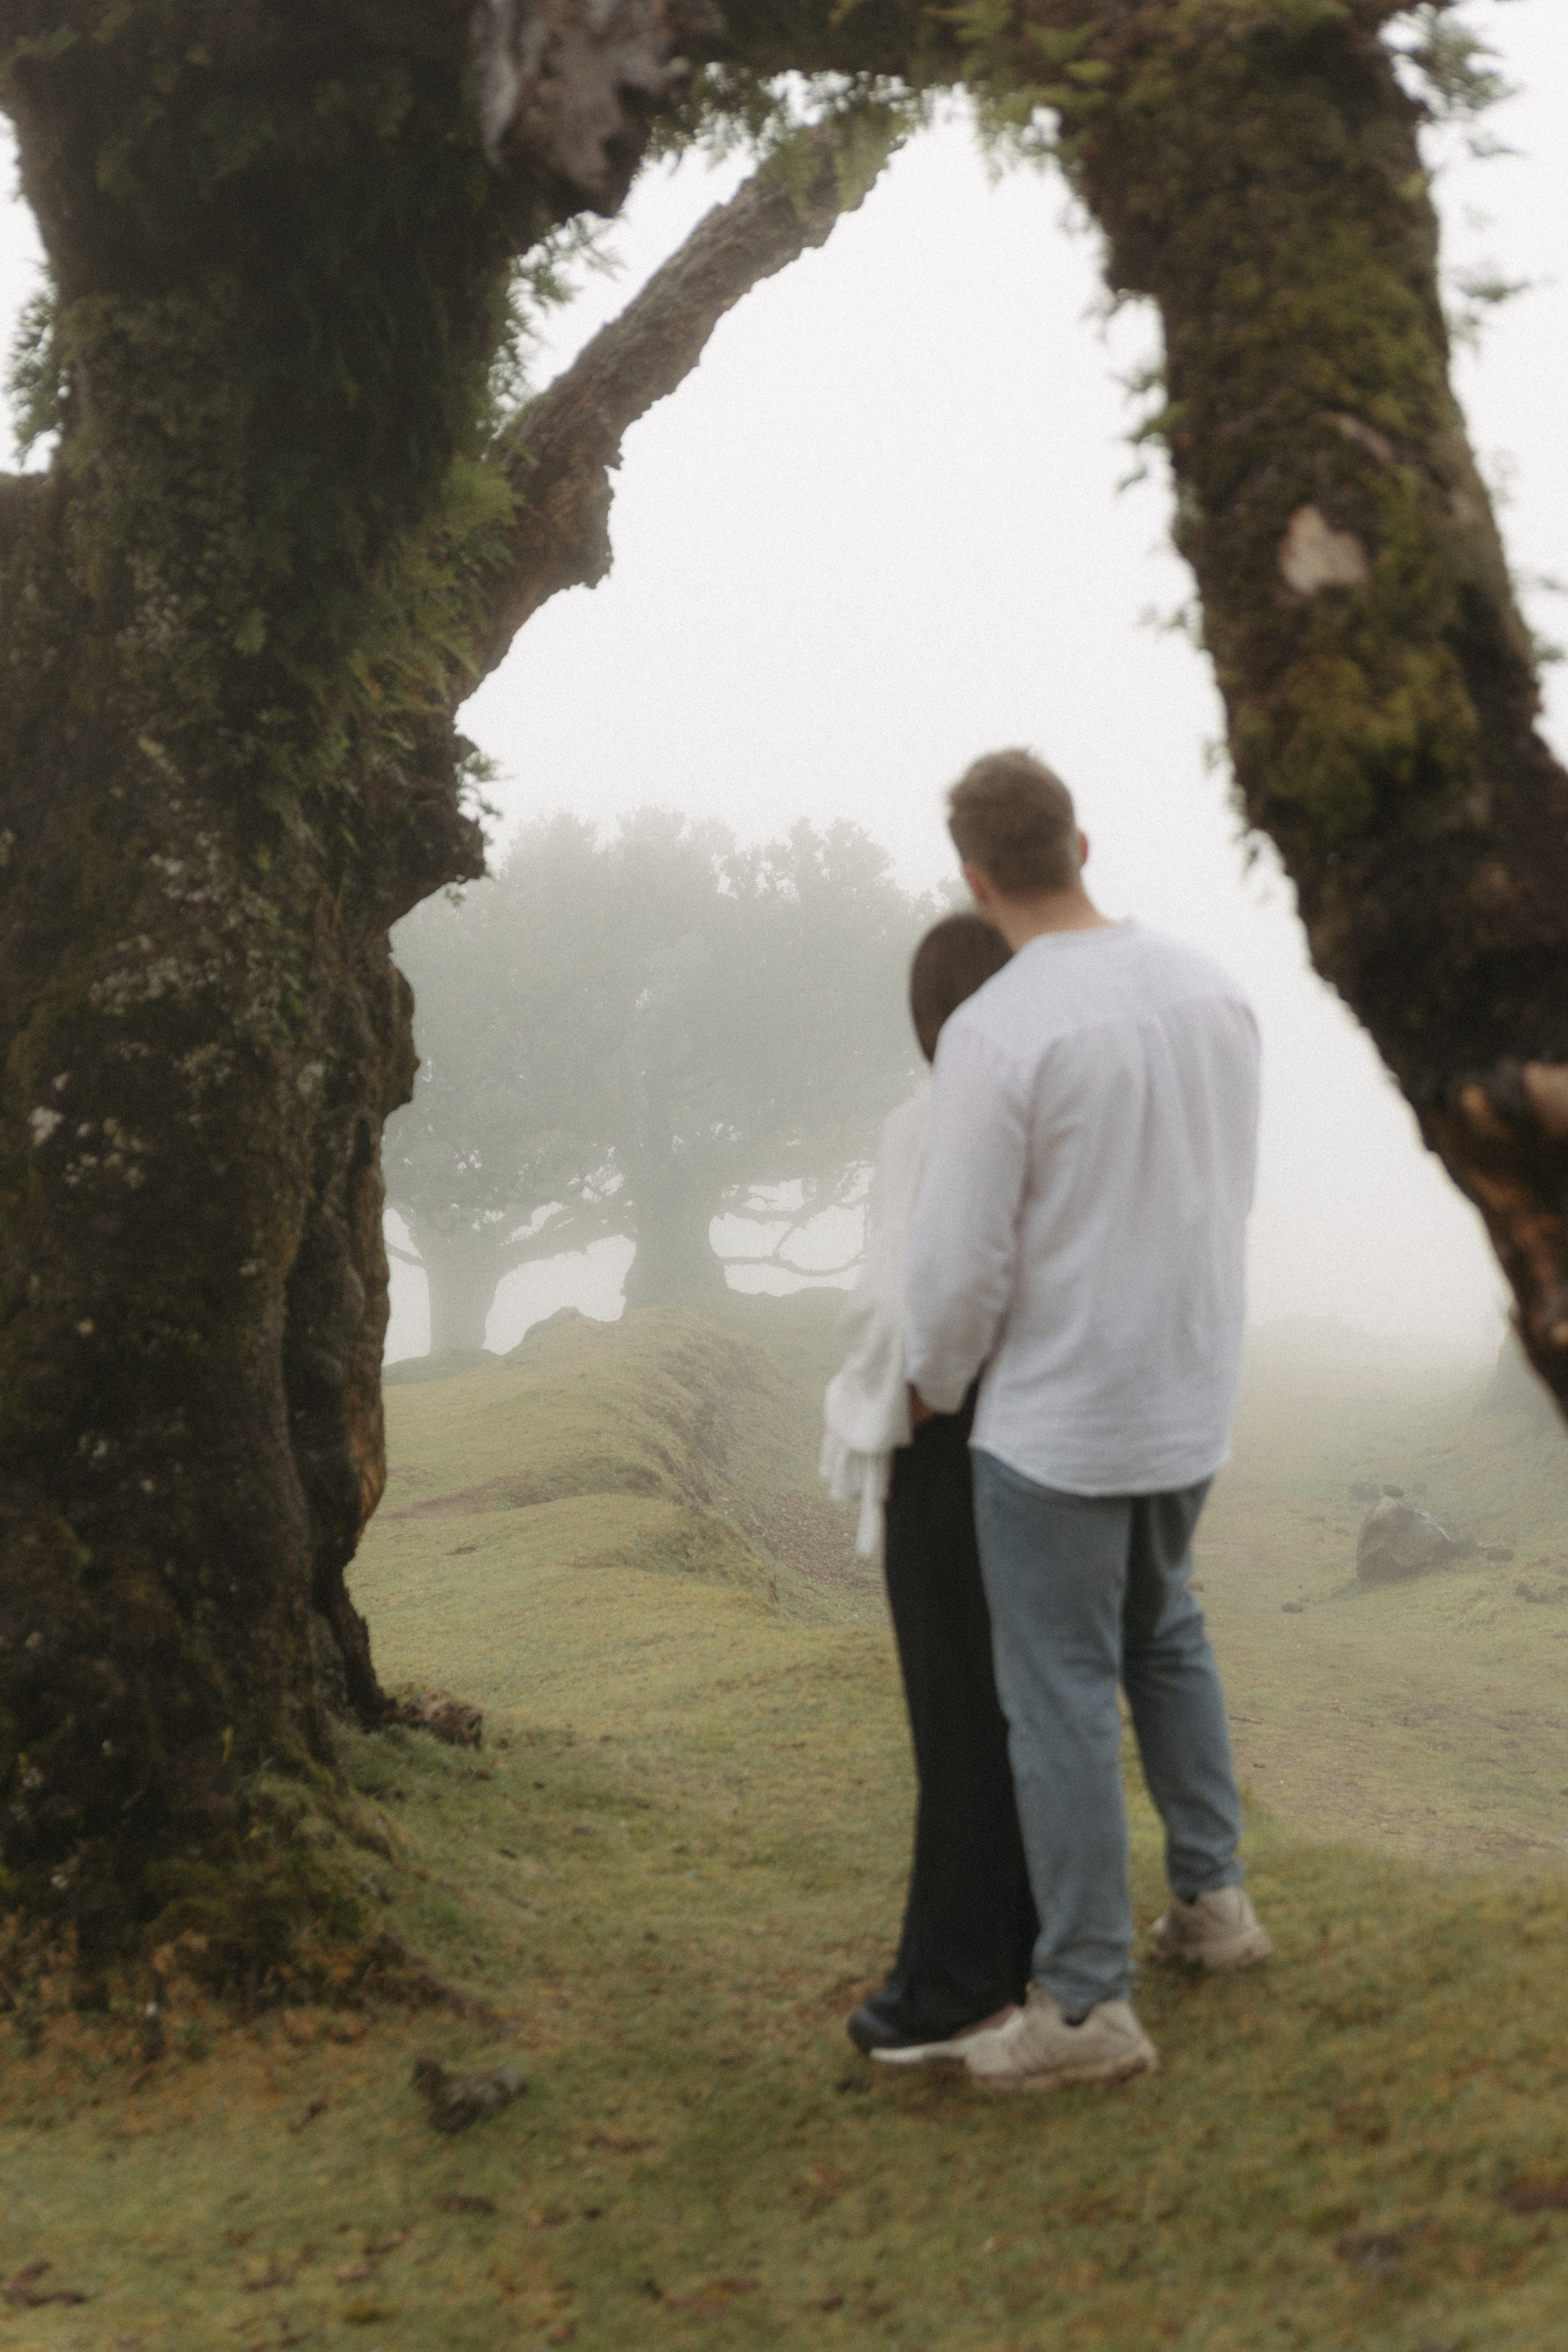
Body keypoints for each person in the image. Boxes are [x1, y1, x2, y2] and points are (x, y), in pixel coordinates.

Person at [905, 749, 1274, 2097]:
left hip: (1059, 1412)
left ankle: (1083, 2001)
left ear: (975, 876)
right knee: (1163, 1631)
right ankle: (1214, 1901)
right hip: (1187, 1385)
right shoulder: (1212, 988)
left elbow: (961, 1264)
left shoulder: (1001, 1029)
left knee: (1055, 1691)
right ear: (1080, 844)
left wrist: (931, 1381)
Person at [822, 913, 1039, 2065]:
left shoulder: (930, 1118)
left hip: (948, 1436)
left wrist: (892, 1400)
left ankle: (955, 1986)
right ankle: (1033, 1949)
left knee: (954, 1714)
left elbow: (900, 1295)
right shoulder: (1050, 1108)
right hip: (1046, 1432)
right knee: (1023, 1709)